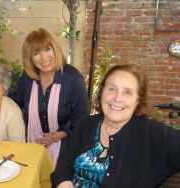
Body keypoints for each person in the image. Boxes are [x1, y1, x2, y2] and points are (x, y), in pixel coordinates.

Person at [0, 28, 89, 165]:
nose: (44, 58)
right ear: (30, 58)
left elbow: (82, 117)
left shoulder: (73, 78)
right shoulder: (28, 78)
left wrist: (57, 136)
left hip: (65, 147)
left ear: (55, 50)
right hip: (33, 146)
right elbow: (17, 100)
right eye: (36, 53)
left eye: (47, 49)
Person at [50, 64, 180, 187]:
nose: (118, 98)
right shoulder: (88, 124)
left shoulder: (149, 132)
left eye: (127, 92)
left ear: (137, 101)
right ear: (102, 93)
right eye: (112, 89)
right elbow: (63, 168)